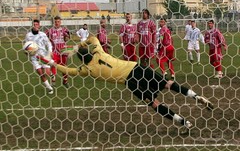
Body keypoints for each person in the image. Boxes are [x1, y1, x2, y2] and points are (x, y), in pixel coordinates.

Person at [38, 36, 214, 135]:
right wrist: (78, 46)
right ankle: (196, 96)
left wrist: (50, 62)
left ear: (82, 60)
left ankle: (185, 123)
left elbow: (67, 71)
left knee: (154, 103)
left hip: (131, 82)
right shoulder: (99, 51)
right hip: (137, 68)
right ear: (90, 53)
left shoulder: (86, 69)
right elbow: (92, 38)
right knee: (168, 83)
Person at [24, 19, 54, 94]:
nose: (36, 26)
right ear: (32, 25)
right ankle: (49, 88)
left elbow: (49, 44)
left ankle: (51, 74)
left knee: (46, 73)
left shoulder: (43, 34)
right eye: (34, 25)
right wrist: (26, 52)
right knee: (40, 73)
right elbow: (26, 46)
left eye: (37, 24)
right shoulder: (28, 35)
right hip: (34, 58)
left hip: (43, 56)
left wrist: (50, 52)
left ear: (39, 25)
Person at [45, 16, 70, 87]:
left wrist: (66, 37)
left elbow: (67, 38)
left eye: (58, 22)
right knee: (53, 65)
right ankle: (53, 81)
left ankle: (65, 81)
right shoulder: (50, 31)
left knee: (64, 67)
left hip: (63, 51)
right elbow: (44, 36)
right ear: (54, 22)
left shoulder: (64, 30)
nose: (57, 23)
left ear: (60, 22)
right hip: (54, 52)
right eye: (55, 22)